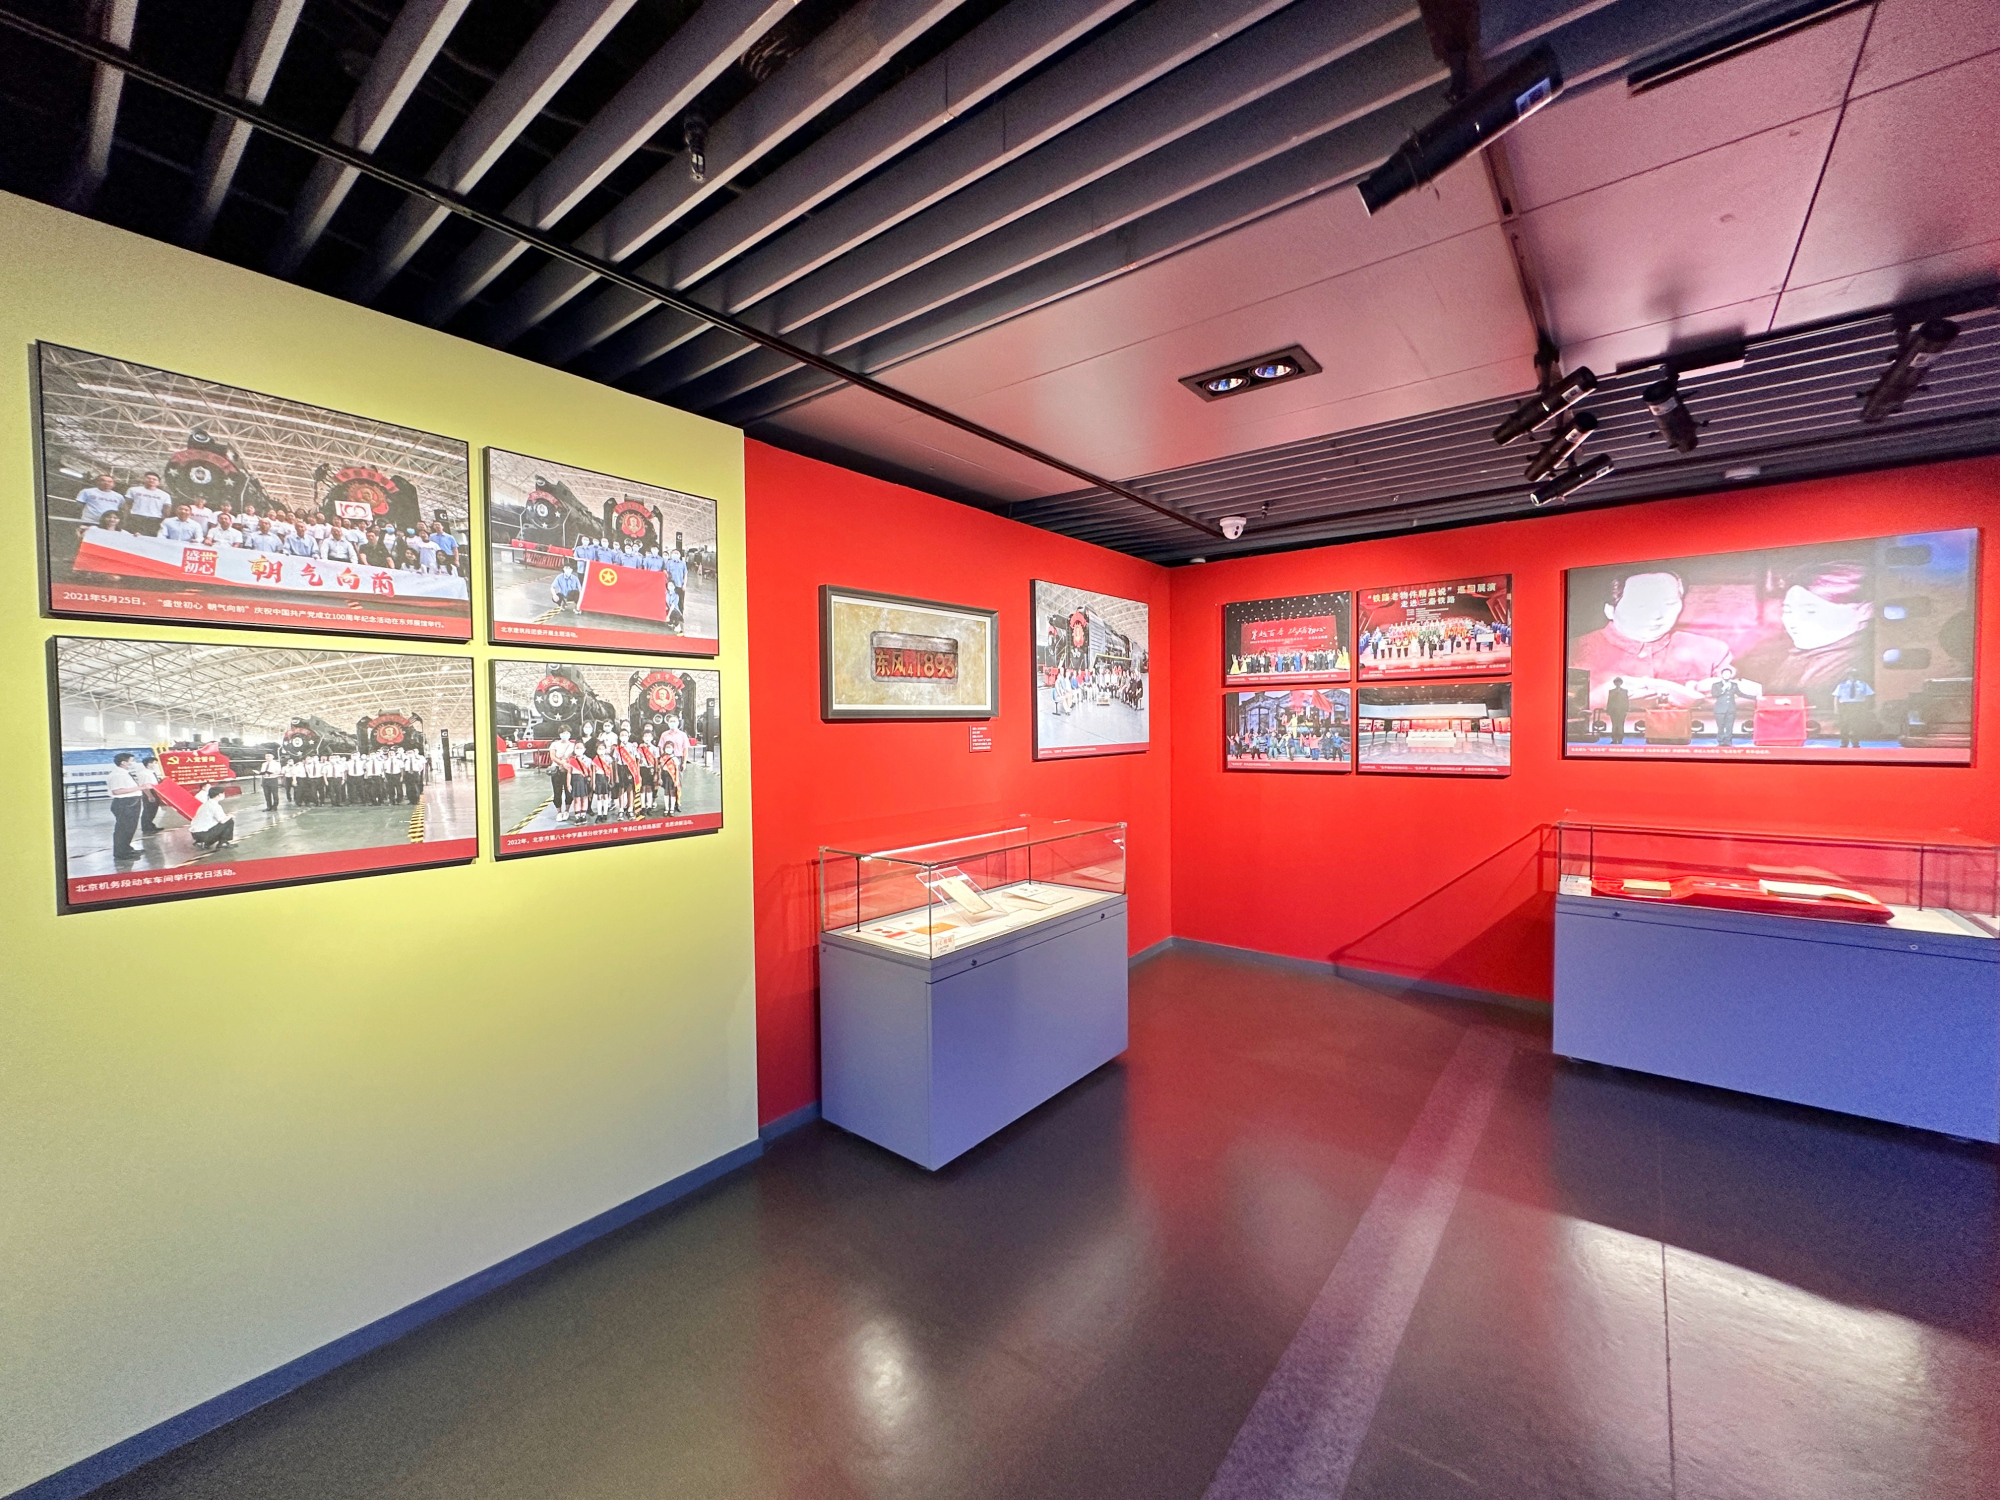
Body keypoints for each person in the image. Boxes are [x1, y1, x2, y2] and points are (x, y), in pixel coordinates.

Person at [1571, 568, 1733, 714]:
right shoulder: (1572, 652)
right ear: (1610, 610)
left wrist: (1719, 696)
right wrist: (1597, 700)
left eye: (1669, 604)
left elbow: (1739, 707)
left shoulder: (1712, 651)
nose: (1657, 615)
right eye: (1641, 605)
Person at [104, 751, 145, 862]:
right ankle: (121, 853)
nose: (134, 763)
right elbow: (117, 791)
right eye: (132, 761)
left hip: (131, 802)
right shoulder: (117, 775)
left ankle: (127, 848)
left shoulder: (124, 773)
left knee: (130, 828)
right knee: (123, 829)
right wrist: (140, 788)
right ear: (123, 762)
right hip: (125, 803)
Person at [1833, 669, 1876, 748]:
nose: (1853, 676)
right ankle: (1844, 742)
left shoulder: (1863, 684)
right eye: (1851, 675)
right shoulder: (1842, 685)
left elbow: (1868, 696)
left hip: (1858, 706)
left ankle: (1855, 742)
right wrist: (1836, 708)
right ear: (1848, 676)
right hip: (1845, 706)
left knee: (1856, 725)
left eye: (1855, 675)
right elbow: (1836, 697)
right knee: (1844, 725)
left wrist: (1866, 707)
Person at [187, 784, 235, 850]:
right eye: (223, 793)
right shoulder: (215, 806)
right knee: (229, 821)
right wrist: (230, 815)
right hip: (203, 834)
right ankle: (222, 843)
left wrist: (226, 816)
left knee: (224, 821)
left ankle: (204, 843)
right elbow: (222, 821)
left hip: (195, 834)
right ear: (219, 795)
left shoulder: (205, 804)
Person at [1709, 666, 1747, 749]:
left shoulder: (1734, 685)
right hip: (1719, 710)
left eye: (1728, 674)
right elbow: (1714, 695)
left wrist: (1755, 697)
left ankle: (1728, 742)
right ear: (1722, 675)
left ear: (1731, 675)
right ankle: (1721, 742)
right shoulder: (1716, 685)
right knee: (1720, 727)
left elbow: (1741, 694)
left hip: (1731, 709)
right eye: (1725, 674)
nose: (1726, 675)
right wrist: (1723, 689)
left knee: (1729, 727)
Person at [1605, 677, 1632, 746]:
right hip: (1613, 711)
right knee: (1614, 725)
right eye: (1616, 682)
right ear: (1614, 683)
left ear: (1621, 683)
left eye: (1619, 682)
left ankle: (1620, 739)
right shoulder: (1611, 691)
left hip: (1622, 711)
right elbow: (1609, 701)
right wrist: (1608, 709)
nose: (1617, 684)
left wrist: (1627, 709)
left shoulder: (1624, 691)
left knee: (1620, 725)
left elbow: (1626, 701)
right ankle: (1614, 739)